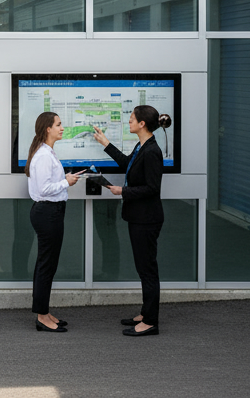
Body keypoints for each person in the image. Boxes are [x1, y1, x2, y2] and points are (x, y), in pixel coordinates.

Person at [93, 106, 170, 337]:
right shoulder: (142, 146)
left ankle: (150, 322)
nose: (129, 122)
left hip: (147, 219)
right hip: (139, 217)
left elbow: (152, 188)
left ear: (142, 124)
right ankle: (146, 313)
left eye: (131, 119)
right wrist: (106, 144)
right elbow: (128, 164)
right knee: (143, 267)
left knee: (147, 270)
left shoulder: (152, 151)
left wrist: (123, 191)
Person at [26, 111, 81, 332]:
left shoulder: (47, 152)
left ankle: (45, 312)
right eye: (58, 124)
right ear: (47, 128)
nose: (62, 128)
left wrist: (63, 180)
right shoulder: (43, 155)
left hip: (52, 212)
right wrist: (66, 182)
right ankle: (42, 317)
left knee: (48, 265)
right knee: (46, 266)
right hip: (47, 213)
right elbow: (44, 189)